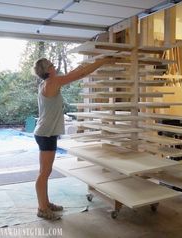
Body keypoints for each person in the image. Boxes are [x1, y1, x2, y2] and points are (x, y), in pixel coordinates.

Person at [33, 56, 115, 220]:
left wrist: (82, 66)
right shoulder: (52, 82)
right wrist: (103, 61)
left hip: (44, 132)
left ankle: (45, 203)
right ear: (47, 70)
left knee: (44, 172)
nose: (54, 66)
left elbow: (74, 73)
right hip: (46, 134)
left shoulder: (47, 83)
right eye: (52, 65)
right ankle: (42, 209)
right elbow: (80, 74)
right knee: (44, 172)